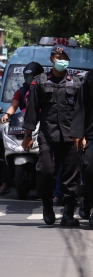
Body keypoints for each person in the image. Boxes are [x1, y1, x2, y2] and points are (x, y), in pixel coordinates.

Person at [23, 44, 81, 226]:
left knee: (71, 178)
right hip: (47, 135)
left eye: (63, 58)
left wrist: (83, 134)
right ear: (51, 60)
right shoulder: (40, 81)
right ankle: (47, 207)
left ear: (68, 61)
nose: (60, 60)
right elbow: (32, 109)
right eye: (57, 57)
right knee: (45, 172)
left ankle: (68, 214)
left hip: (71, 137)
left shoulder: (77, 83)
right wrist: (28, 134)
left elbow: (82, 111)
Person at [0, 61, 43, 195]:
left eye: (33, 77)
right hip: (23, 125)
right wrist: (6, 115)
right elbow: (14, 106)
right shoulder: (21, 91)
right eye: (28, 77)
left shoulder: (45, 89)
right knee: (9, 151)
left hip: (41, 125)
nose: (30, 80)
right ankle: (5, 184)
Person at [69, 70, 93, 227]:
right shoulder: (90, 78)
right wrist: (79, 133)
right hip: (91, 134)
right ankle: (87, 201)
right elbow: (81, 106)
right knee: (90, 169)